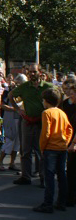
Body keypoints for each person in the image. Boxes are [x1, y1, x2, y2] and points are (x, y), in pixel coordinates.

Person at [9, 63, 55, 186]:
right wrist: (18, 110)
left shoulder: (47, 86)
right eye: (29, 72)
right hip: (27, 122)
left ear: (40, 72)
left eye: (34, 72)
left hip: (42, 122)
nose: (32, 74)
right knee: (25, 150)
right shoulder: (24, 87)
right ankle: (26, 176)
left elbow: (58, 97)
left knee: (41, 150)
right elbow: (11, 95)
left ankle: (43, 177)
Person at [32, 88, 74, 213]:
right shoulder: (61, 112)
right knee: (62, 175)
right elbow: (69, 129)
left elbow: (46, 132)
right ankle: (61, 202)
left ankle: (47, 203)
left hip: (50, 147)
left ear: (46, 101)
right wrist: (66, 142)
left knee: (49, 177)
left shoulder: (46, 113)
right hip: (62, 147)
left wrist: (42, 147)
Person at [0, 74, 27, 171]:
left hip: (20, 118)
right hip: (10, 118)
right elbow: (2, 104)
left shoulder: (24, 92)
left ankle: (12, 162)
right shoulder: (8, 90)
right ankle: (0, 161)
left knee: (17, 142)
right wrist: (15, 109)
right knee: (10, 140)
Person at [59, 78, 76, 207]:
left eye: (72, 91)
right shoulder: (65, 103)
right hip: (68, 138)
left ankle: (71, 197)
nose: (69, 94)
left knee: (71, 169)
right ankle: (69, 196)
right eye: (67, 91)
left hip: (73, 141)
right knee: (70, 170)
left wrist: (73, 143)